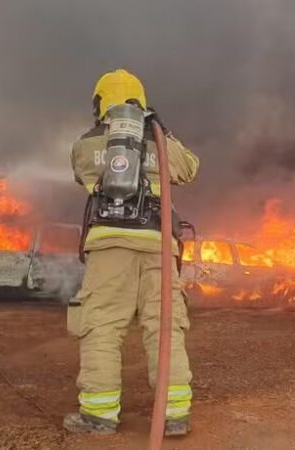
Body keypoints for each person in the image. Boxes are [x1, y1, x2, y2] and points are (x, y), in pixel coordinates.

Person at [63, 69, 200, 436]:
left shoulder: (88, 144)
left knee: (102, 327)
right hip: (158, 247)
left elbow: (80, 173)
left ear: (100, 102)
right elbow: (189, 169)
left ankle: (99, 415)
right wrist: (163, 133)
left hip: (110, 249)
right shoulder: (159, 142)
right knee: (165, 327)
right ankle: (174, 416)